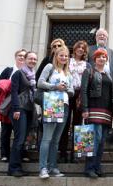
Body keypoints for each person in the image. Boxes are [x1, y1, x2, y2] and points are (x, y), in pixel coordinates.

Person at [38, 46, 74, 179]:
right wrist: (55, 87)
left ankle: (52, 167)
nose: (64, 58)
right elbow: (40, 83)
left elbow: (71, 91)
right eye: (61, 55)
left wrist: (67, 90)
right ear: (56, 56)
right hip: (52, 104)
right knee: (47, 138)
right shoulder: (49, 67)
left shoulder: (68, 72)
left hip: (64, 105)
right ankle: (43, 168)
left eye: (66, 56)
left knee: (56, 140)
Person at [81, 48, 113, 178]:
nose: (102, 59)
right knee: (94, 139)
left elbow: (111, 95)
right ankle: (89, 168)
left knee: (101, 141)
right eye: (99, 57)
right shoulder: (88, 71)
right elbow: (83, 91)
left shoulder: (108, 75)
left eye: (104, 57)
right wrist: (85, 109)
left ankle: (97, 166)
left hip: (106, 112)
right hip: (93, 110)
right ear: (94, 59)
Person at [59, 40, 91, 163]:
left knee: (77, 125)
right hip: (67, 93)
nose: (80, 49)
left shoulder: (87, 65)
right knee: (65, 123)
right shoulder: (67, 61)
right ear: (75, 48)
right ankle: (62, 153)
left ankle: (75, 154)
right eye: (79, 47)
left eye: (83, 48)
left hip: (80, 95)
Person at [7, 51, 38, 177]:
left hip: (29, 109)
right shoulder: (18, 73)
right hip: (20, 109)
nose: (33, 61)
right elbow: (14, 93)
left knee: (23, 139)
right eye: (30, 58)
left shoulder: (32, 75)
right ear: (24, 59)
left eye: (35, 59)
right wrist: (16, 109)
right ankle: (13, 168)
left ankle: (17, 166)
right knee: (19, 139)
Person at [0, 49, 26, 163]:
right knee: (6, 131)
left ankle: (20, 154)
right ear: (15, 57)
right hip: (8, 105)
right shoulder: (8, 70)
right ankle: (4, 154)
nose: (22, 57)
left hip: (21, 105)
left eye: (24, 56)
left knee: (20, 132)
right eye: (20, 55)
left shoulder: (27, 72)